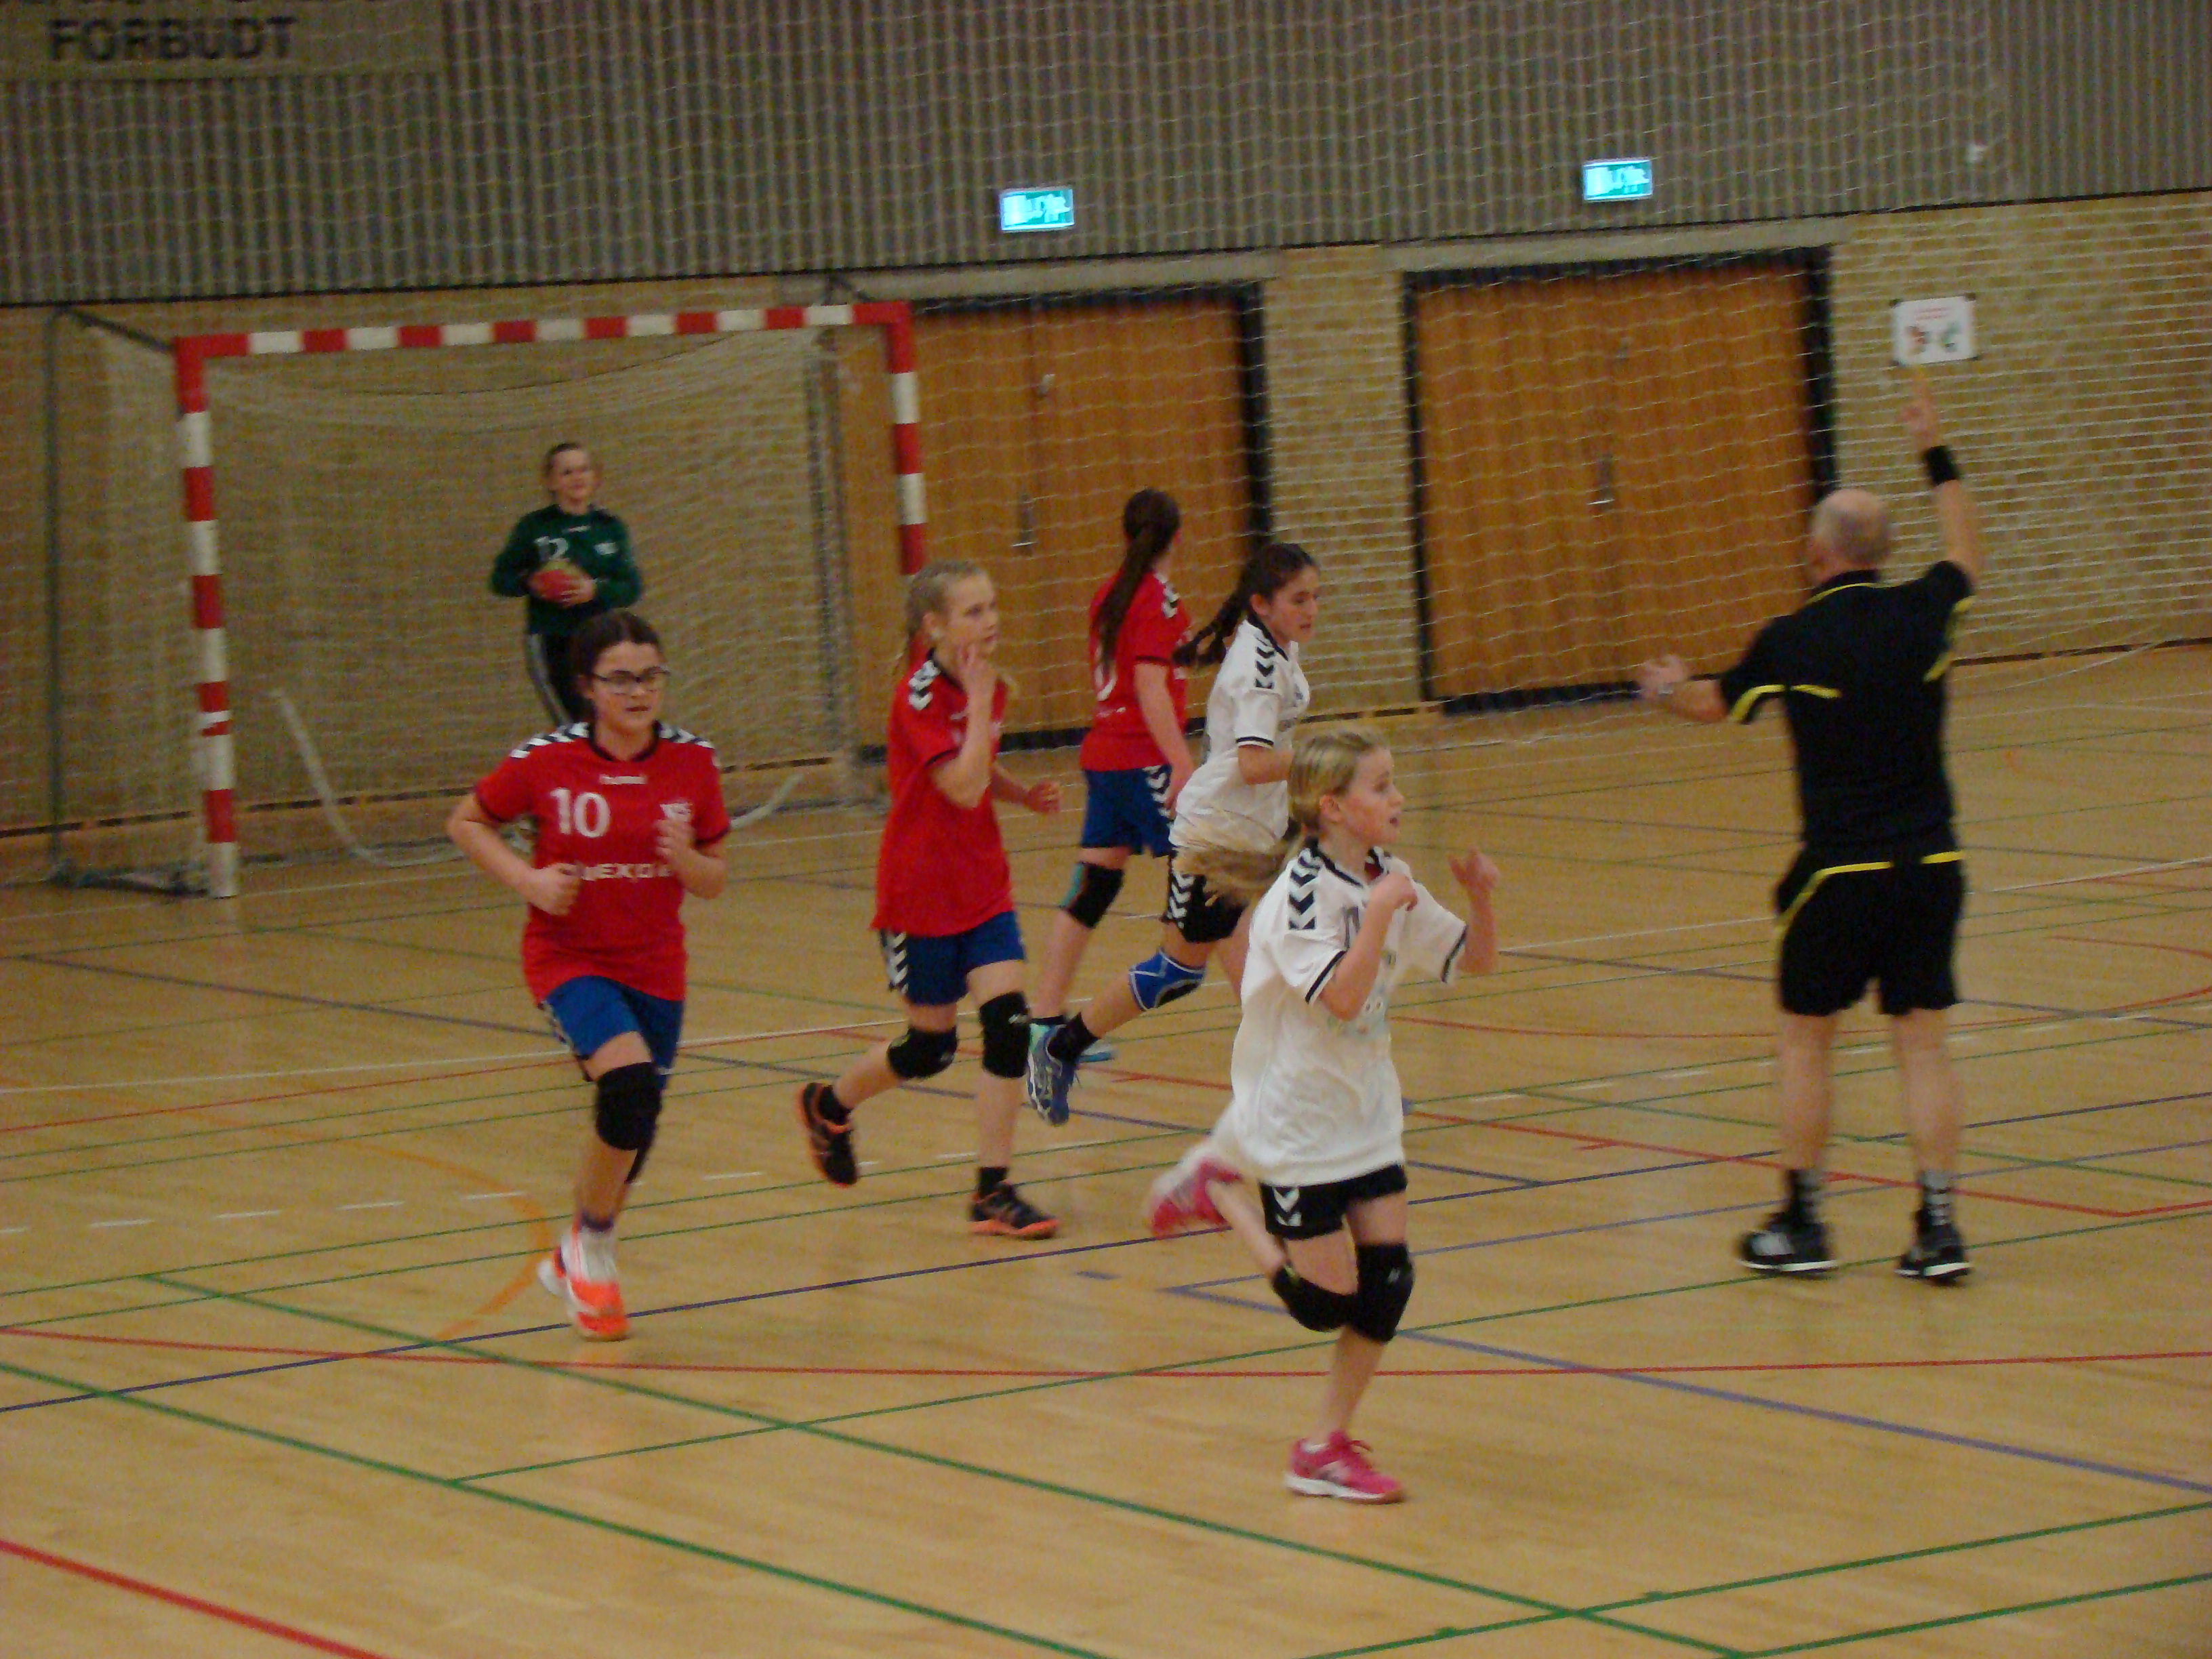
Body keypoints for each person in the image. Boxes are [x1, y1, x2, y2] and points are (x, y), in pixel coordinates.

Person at [1634, 379, 1984, 1282]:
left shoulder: (1791, 639)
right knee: (1923, 1044)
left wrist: (1667, 688)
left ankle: (1802, 1222)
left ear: (1816, 552)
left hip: (1837, 876)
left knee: (1805, 1041)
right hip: (1932, 862)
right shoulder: (1926, 612)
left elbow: (1714, 704)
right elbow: (1966, 551)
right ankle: (1939, 1229)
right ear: (1883, 554)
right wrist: (1933, 446)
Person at [1150, 724, 1500, 1502]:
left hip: (1365, 1111)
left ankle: (1322, 1448)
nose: (1398, 797)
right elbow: (1342, 996)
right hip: (1298, 1121)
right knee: (1323, 1305)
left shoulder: (1388, 876)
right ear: (1335, 808)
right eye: (1381, 786)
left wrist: (1480, 894)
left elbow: (1474, 960)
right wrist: (1377, 916)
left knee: (1390, 1282)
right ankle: (1218, 1190)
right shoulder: (1300, 898)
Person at [447, 611, 729, 1339]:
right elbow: (467, 822)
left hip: (656, 965)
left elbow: (714, 878)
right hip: (569, 959)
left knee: (637, 1122)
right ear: (588, 688)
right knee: (628, 1085)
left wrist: (683, 858)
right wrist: (529, 881)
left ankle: (573, 1249)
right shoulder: (547, 761)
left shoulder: (694, 762)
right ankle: (595, 1250)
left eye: (651, 676)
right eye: (621, 679)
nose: (639, 692)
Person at [795, 559, 1066, 1237]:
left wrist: (1022, 794)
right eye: (973, 611)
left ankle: (992, 1192)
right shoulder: (917, 698)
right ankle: (829, 1105)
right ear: (934, 626)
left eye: (992, 606)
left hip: (983, 885)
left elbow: (982, 769)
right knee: (930, 1048)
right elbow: (961, 785)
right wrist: (976, 704)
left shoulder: (984, 684)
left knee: (1009, 1027)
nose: (991, 621)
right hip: (920, 894)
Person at [1025, 541, 1320, 1126]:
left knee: (1273, 954)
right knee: (1179, 971)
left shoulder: (1278, 648)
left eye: (1316, 597)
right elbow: (1255, 763)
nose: (1311, 610)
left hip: (1251, 834)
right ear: (1262, 604)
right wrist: (1323, 758)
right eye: (1299, 599)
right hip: (1216, 841)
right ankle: (1059, 1048)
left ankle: (1304, 1088)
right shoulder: (1259, 668)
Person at [1028, 489, 1196, 1065]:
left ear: (1126, 536)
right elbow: (1149, 686)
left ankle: (1043, 1023)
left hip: (1104, 757)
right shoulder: (1158, 598)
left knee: (1095, 886)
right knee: (1212, 880)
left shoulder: (1109, 594)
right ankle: (1269, 1022)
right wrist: (1180, 760)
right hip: (1140, 758)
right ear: (1177, 538)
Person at [490, 442, 645, 725]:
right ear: (550, 482)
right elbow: (500, 580)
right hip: (554, 641)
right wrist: (531, 582)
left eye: (584, 470)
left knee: (611, 723)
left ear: (595, 477)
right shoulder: (534, 527)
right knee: (574, 727)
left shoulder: (609, 527)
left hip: (602, 642)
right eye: (567, 472)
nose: (577, 478)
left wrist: (595, 589)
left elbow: (631, 588)